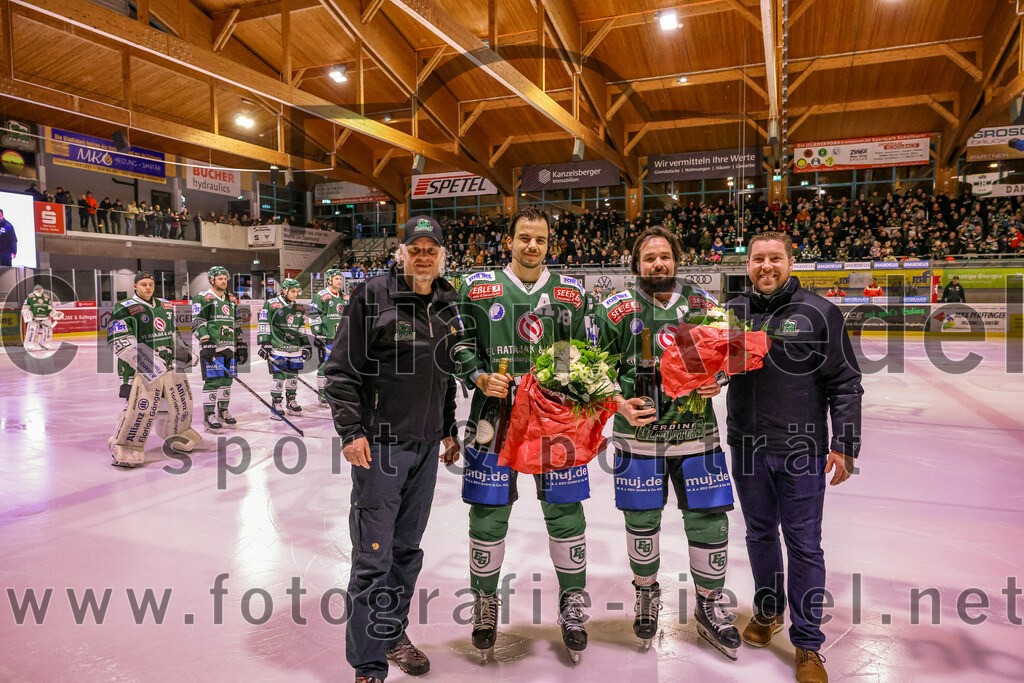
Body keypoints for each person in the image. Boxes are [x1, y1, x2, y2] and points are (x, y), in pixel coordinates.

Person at [323, 216, 461, 683]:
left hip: (425, 449)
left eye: (432, 249)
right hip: (379, 447)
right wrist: (351, 431)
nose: (423, 256)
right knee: (373, 558)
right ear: (400, 252)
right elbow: (340, 372)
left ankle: (393, 632)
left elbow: (440, 374)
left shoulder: (446, 301)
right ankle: (368, 663)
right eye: (415, 248)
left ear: (442, 256)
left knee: (406, 553)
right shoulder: (371, 297)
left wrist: (447, 427)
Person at [452, 207, 592, 660]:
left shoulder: (570, 292)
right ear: (508, 241)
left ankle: (572, 604)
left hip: (555, 420)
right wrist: (477, 376)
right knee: (488, 513)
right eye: (524, 238)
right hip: (494, 417)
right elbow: (459, 343)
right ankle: (484, 603)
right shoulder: (476, 287)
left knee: (565, 510)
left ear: (550, 244)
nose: (532, 246)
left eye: (541, 240)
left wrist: (565, 380)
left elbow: (577, 348)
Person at [594, 226, 740, 659]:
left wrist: (720, 376)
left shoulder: (702, 306)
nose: (658, 264)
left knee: (710, 522)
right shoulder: (615, 310)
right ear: (635, 265)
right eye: (648, 258)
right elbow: (584, 362)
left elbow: (733, 352)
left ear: (676, 259)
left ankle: (710, 605)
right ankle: (646, 593)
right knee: (641, 522)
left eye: (664, 257)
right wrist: (616, 402)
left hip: (697, 438)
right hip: (638, 442)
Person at [726, 231, 863, 683]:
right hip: (747, 445)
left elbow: (845, 382)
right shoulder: (735, 312)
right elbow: (713, 365)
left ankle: (807, 644)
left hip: (802, 450)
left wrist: (844, 444)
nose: (766, 266)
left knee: (803, 543)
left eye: (774, 258)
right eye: (757, 259)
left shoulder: (819, 312)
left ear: (790, 261)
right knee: (760, 535)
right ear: (747, 265)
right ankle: (768, 612)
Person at [106, 271, 202, 467]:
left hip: (167, 366)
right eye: (143, 284)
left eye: (150, 284)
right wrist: (143, 359)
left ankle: (177, 434)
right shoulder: (124, 308)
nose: (148, 287)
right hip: (137, 370)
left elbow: (172, 333)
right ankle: (124, 444)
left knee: (174, 405)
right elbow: (119, 338)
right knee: (140, 408)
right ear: (135, 286)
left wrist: (184, 352)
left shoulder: (165, 305)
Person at [192, 266, 247, 430]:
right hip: (213, 348)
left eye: (225, 278)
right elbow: (197, 321)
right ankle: (208, 415)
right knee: (213, 381)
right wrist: (205, 340)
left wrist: (241, 343)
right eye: (220, 278)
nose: (223, 281)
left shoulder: (231, 299)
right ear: (212, 280)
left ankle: (223, 411)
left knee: (227, 381)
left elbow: (236, 323)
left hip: (230, 347)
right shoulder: (202, 298)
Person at [257, 278, 311, 418]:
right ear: (285, 290)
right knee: (279, 377)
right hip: (278, 348)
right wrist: (265, 342)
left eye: (297, 292)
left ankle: (291, 401)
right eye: (292, 291)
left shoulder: (299, 307)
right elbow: (264, 322)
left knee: (293, 376)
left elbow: (300, 328)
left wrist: (305, 344)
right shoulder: (271, 304)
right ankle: (276, 403)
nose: (295, 294)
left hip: (295, 348)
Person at [309, 267, 346, 406]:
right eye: (336, 279)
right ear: (329, 280)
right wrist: (318, 332)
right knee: (324, 365)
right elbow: (313, 314)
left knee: (339, 366)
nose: (339, 281)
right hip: (327, 336)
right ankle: (322, 394)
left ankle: (334, 392)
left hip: (340, 337)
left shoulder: (343, 297)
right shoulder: (321, 295)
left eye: (341, 279)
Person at [21, 284, 63, 351]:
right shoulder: (30, 297)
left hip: (45, 318)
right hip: (34, 318)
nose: (38, 291)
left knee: (48, 331)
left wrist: (55, 314)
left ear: (42, 290)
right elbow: (25, 308)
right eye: (37, 290)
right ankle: (29, 345)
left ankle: (45, 344)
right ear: (34, 291)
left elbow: (49, 308)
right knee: (32, 331)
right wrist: (29, 316)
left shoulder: (47, 298)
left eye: (39, 290)